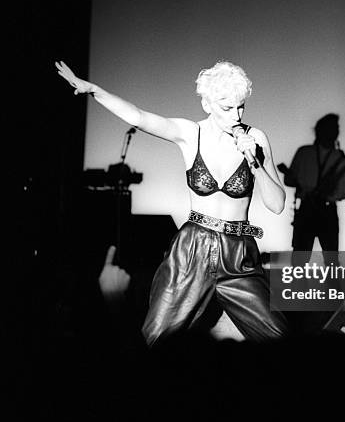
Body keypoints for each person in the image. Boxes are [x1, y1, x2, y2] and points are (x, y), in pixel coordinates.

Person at [56, 59, 289, 346]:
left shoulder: (255, 138)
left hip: (239, 253)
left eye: (241, 106)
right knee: (156, 339)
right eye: (227, 107)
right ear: (207, 104)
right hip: (193, 248)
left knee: (282, 340)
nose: (236, 115)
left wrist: (255, 164)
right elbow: (139, 117)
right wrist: (94, 90)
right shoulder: (191, 133)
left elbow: (277, 204)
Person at [277, 113, 345, 268]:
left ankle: (298, 292)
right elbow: (344, 192)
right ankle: (331, 292)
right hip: (325, 211)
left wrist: (308, 188)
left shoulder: (304, 152)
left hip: (308, 210)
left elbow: (289, 180)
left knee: (300, 260)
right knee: (330, 262)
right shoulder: (341, 159)